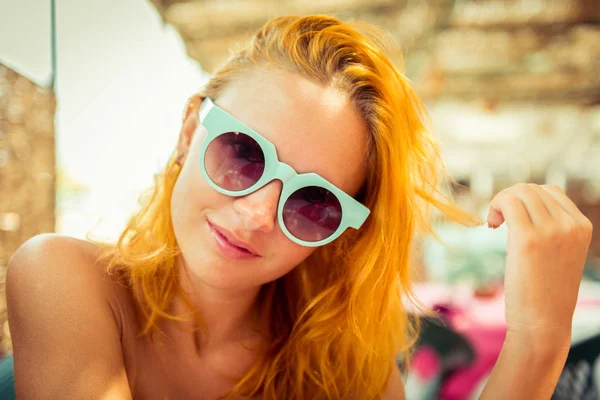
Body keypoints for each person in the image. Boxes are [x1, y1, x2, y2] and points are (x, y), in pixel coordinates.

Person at [6, 15, 593, 400]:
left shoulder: (343, 365)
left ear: (340, 231)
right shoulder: (63, 277)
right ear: (190, 132)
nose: (259, 213)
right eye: (242, 153)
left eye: (314, 201)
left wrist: (538, 340)